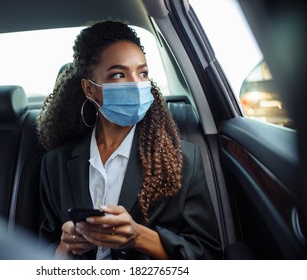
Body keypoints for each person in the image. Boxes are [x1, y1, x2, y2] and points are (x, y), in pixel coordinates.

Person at [36, 20, 222, 260]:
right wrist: (65, 247)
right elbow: (40, 251)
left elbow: (208, 255)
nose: (136, 84)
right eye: (118, 74)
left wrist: (139, 237)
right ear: (90, 89)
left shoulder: (182, 159)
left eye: (142, 73)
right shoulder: (55, 164)